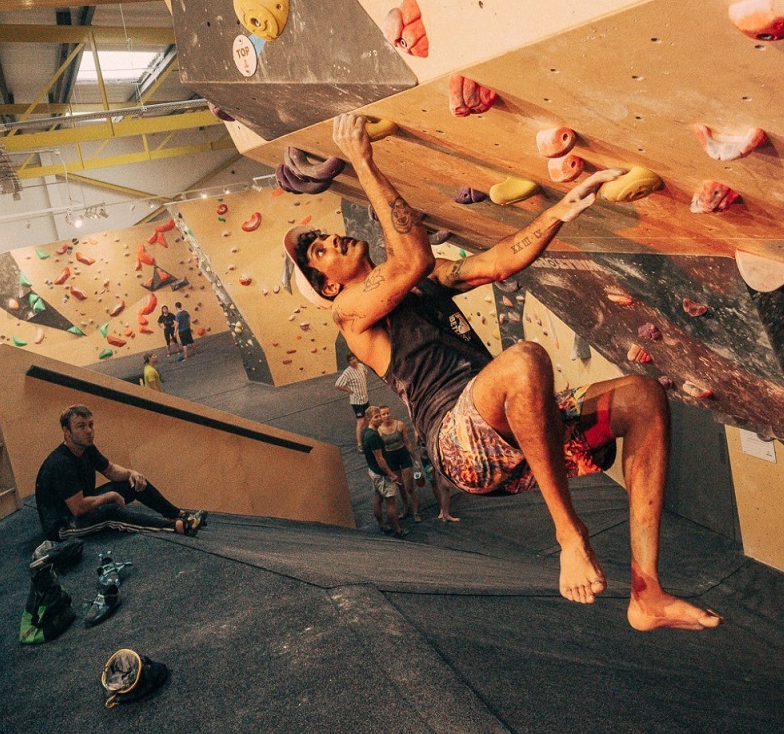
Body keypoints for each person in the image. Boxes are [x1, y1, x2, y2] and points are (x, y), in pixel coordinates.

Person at [285, 113, 721, 631]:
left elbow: (496, 263)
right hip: (457, 445)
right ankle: (570, 536)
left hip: (505, 432)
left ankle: (647, 593)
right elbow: (412, 256)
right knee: (524, 359)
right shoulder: (351, 316)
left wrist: (561, 210)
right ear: (330, 287)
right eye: (320, 251)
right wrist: (361, 159)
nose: (333, 241)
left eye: (326, 238)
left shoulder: (421, 283)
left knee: (644, 397)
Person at [35, 405, 206, 542]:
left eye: (91, 425)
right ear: (66, 432)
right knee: (111, 512)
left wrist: (132, 473)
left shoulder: (87, 448)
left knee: (133, 483)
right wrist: (110, 496)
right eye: (81, 426)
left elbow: (109, 469)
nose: (89, 431)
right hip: (64, 524)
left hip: (81, 505)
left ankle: (179, 514)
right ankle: (177, 526)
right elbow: (78, 508)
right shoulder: (61, 464)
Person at [359, 407, 405, 537]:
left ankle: (382, 525)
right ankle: (397, 530)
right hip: (382, 474)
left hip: (373, 471)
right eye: (376, 417)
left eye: (380, 415)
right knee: (391, 502)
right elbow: (380, 459)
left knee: (377, 498)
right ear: (369, 419)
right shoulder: (373, 436)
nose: (380, 418)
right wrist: (391, 474)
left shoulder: (365, 432)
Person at [373, 406, 421, 524]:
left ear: (391, 413)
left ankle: (416, 511)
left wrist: (415, 458)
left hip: (403, 455)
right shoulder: (378, 430)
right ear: (380, 416)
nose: (386, 416)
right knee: (401, 486)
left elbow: (408, 442)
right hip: (391, 458)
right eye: (383, 414)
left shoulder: (399, 425)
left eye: (388, 413)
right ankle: (406, 508)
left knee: (409, 486)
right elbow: (379, 451)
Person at [333, 354, 370, 449]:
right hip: (356, 401)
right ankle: (359, 444)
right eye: (351, 360)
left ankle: (367, 438)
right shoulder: (347, 373)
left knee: (367, 419)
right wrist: (348, 390)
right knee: (361, 421)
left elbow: (366, 372)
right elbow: (337, 384)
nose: (353, 361)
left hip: (365, 398)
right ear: (349, 362)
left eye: (354, 358)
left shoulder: (361, 366)